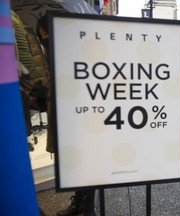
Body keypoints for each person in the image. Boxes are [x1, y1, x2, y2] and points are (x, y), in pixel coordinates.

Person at [36, 15, 97, 215]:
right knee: (76, 162)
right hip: (66, 115)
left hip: (77, 118)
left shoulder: (71, 51)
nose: (43, 39)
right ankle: (80, 204)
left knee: (84, 161)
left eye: (44, 35)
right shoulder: (56, 54)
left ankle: (86, 208)